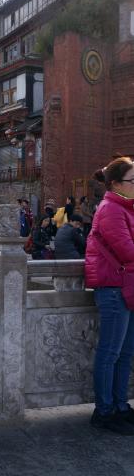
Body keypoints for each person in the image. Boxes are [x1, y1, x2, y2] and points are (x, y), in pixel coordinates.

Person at [85, 156, 134, 434]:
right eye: (133, 180)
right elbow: (128, 251)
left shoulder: (125, 207)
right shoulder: (111, 210)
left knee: (125, 353)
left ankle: (120, 405)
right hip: (114, 288)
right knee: (110, 353)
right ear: (115, 184)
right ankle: (104, 412)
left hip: (126, 286)